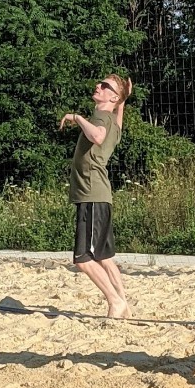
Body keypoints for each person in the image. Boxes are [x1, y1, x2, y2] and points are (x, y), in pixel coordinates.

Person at [59, 75, 132, 319]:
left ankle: (115, 301)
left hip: (91, 195)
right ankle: (123, 304)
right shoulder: (112, 120)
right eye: (100, 83)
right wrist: (123, 101)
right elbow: (117, 123)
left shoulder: (100, 117)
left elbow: (97, 136)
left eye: (105, 85)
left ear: (113, 97)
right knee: (104, 257)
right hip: (100, 196)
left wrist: (77, 118)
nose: (98, 86)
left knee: (83, 259)